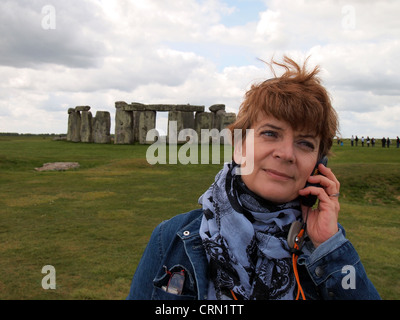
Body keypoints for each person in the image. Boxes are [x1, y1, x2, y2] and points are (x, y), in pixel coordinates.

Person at [127, 56, 380, 300]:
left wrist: (328, 247)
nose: (286, 154)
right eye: (270, 133)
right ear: (239, 146)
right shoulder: (169, 239)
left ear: (318, 165)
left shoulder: (328, 250)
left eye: (305, 143)